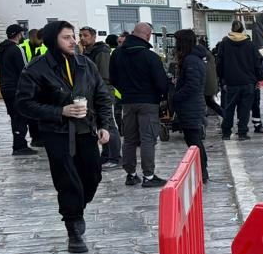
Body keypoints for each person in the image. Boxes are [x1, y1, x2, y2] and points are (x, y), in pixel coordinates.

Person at [16, 20, 114, 253]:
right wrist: (60, 111)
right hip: (57, 133)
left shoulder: (85, 64)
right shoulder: (36, 68)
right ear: (54, 40)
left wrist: (104, 125)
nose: (73, 41)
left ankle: (77, 208)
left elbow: (101, 95)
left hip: (86, 130)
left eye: (73, 36)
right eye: (66, 37)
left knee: (93, 174)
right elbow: (23, 103)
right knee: (67, 180)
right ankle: (73, 227)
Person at [110, 21, 169, 187]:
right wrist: (160, 95)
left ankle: (131, 174)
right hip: (148, 102)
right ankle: (148, 176)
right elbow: (161, 83)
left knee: (129, 139)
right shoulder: (150, 57)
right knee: (147, 139)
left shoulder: (117, 54)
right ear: (148, 36)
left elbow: (113, 78)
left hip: (128, 102)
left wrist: (126, 91)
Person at [170, 29, 209, 183]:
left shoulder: (191, 60)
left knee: (194, 141)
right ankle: (201, 171)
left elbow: (192, 85)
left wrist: (176, 96)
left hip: (191, 105)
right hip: (190, 105)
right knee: (192, 140)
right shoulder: (191, 59)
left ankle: (202, 171)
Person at [80, 26, 121, 167]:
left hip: (103, 93)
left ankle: (115, 157)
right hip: (93, 93)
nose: (82, 38)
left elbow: (104, 76)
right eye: (81, 35)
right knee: (101, 123)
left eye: (85, 35)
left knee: (108, 123)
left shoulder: (101, 51)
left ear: (93, 36)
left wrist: (100, 94)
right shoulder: (86, 52)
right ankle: (106, 154)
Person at [215, 19, 260, 141]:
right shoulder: (250, 44)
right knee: (245, 109)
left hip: (231, 82)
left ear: (231, 29)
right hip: (248, 82)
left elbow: (219, 63)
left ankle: (226, 133)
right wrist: (257, 79)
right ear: (242, 30)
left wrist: (222, 79)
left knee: (229, 108)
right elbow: (257, 63)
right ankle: (242, 133)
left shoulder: (225, 43)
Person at [0, 24, 32, 155]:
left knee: (14, 116)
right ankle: (20, 146)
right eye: (22, 33)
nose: (23, 36)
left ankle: (18, 144)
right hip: (16, 87)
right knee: (20, 116)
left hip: (4, 87)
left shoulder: (1, 49)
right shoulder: (17, 49)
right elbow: (25, 70)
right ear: (18, 34)